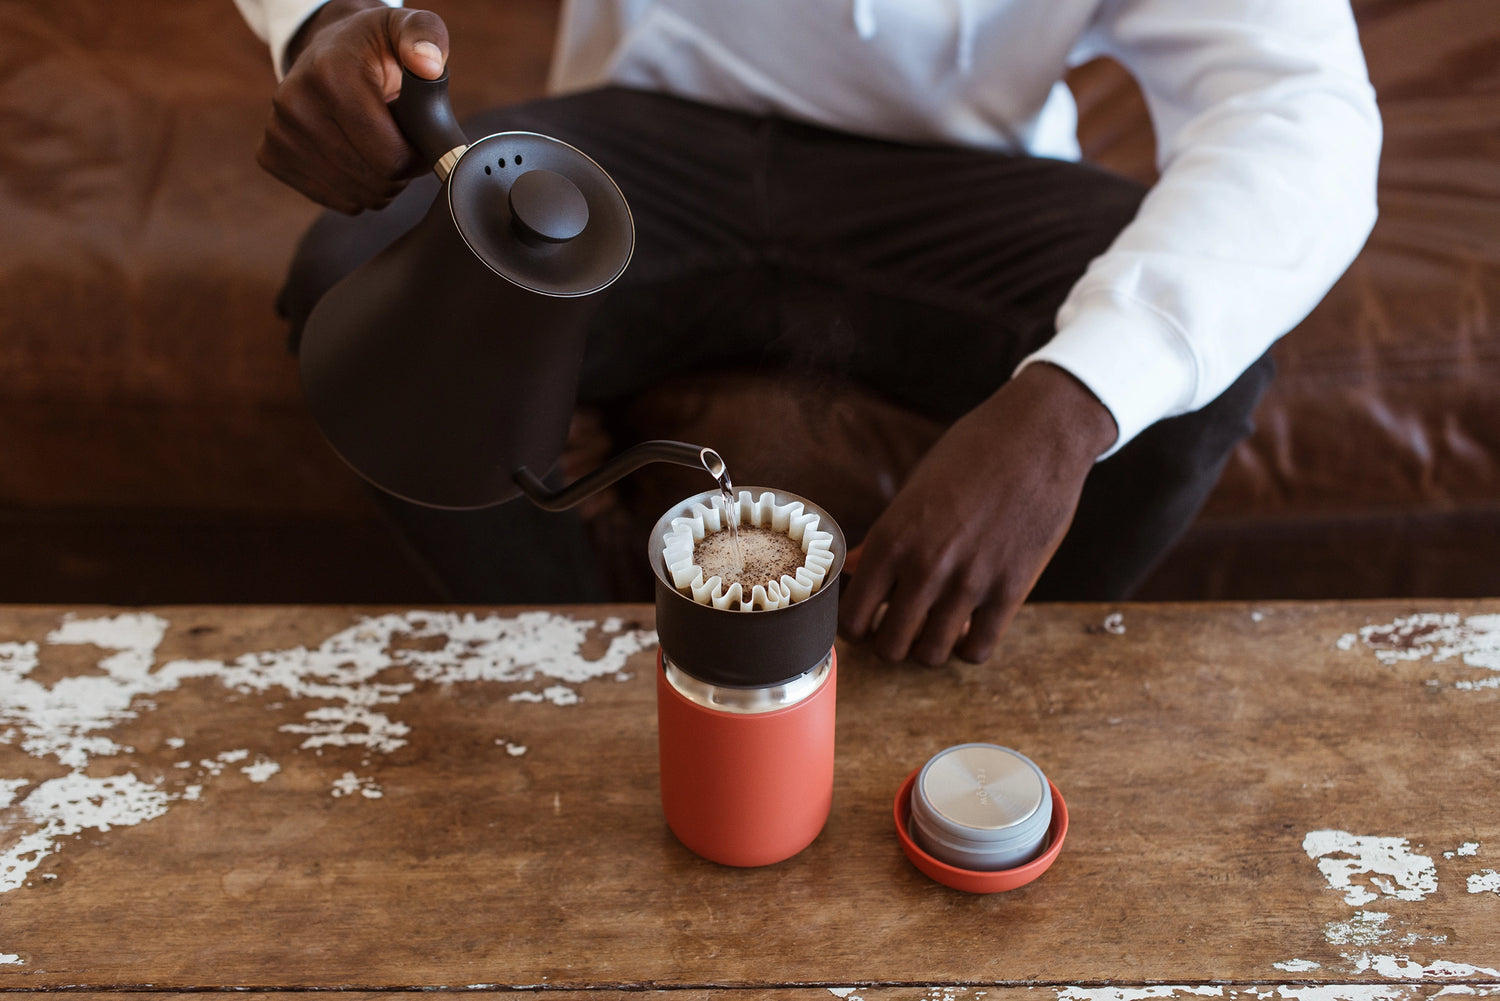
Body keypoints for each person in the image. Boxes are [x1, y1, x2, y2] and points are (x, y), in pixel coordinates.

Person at [234, 0, 1381, 666]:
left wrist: (1071, 401)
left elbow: (1297, 105)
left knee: (1184, 370)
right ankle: (570, 656)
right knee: (359, 279)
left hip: (957, 173)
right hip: (652, 128)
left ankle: (930, 716)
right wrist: (324, 21)